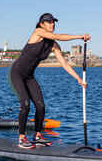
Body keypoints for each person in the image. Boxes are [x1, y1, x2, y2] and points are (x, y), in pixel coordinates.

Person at [9, 13, 91, 149]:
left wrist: (78, 79)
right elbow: (57, 36)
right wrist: (80, 37)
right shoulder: (38, 32)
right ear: (42, 24)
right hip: (16, 73)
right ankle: (22, 137)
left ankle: (37, 135)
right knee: (26, 105)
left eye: (53, 22)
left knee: (41, 106)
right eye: (49, 22)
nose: (52, 24)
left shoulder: (53, 45)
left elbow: (64, 63)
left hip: (29, 77)